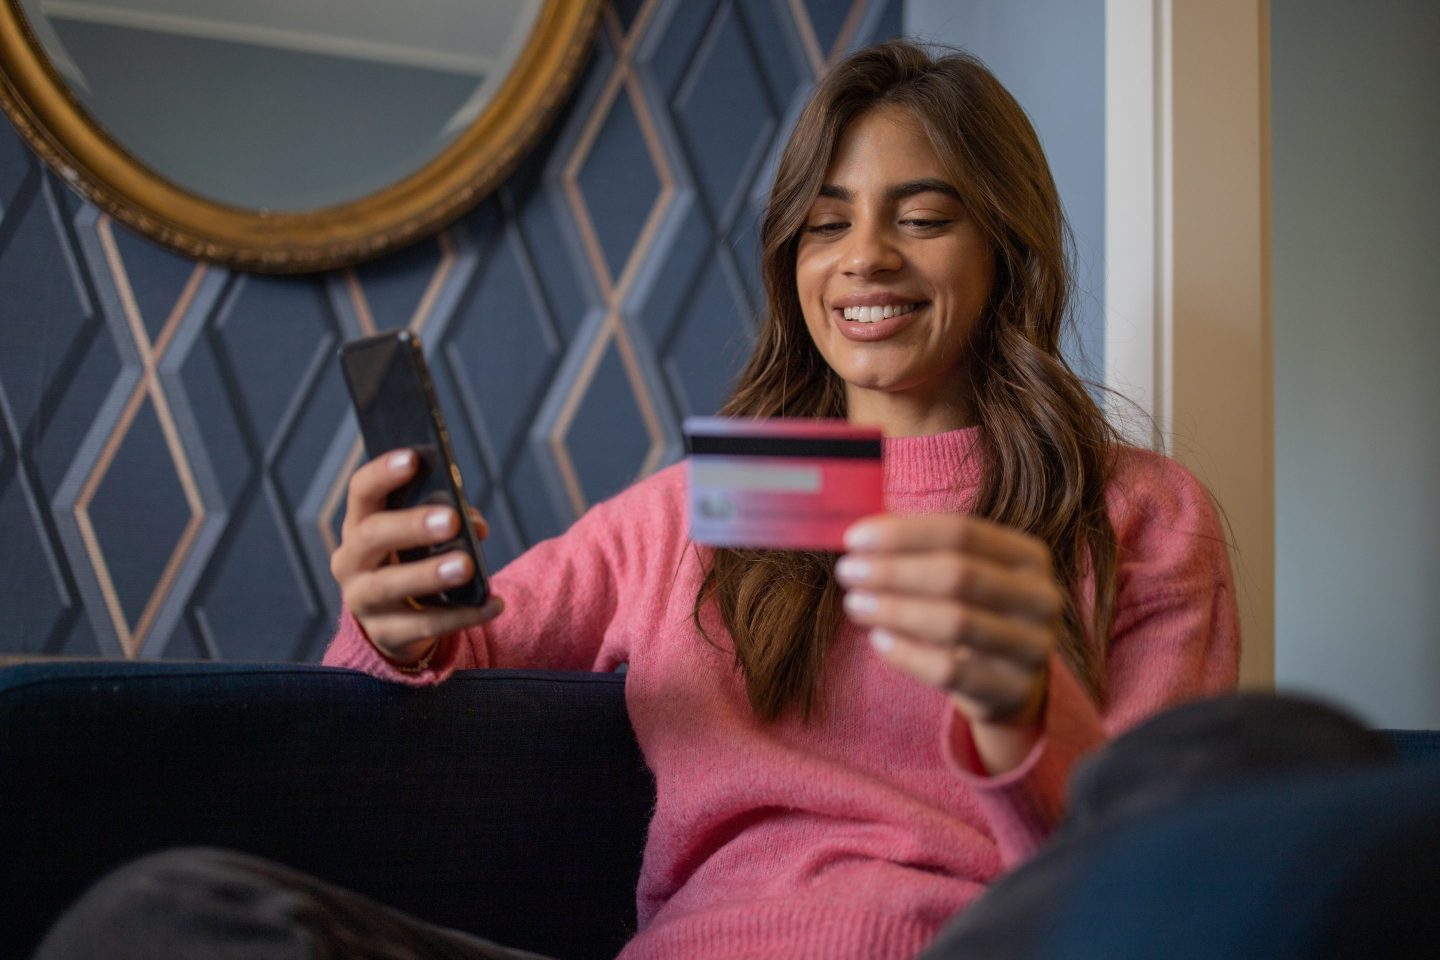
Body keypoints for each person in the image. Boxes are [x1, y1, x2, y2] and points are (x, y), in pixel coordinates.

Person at [34, 40, 1239, 960]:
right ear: (792, 263)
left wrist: (1023, 704)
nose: (866, 256)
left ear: (1008, 252)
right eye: (827, 225)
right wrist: (395, 622)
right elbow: (463, 644)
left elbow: (1156, 886)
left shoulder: (1137, 514)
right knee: (165, 914)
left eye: (923, 218)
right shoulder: (718, 504)